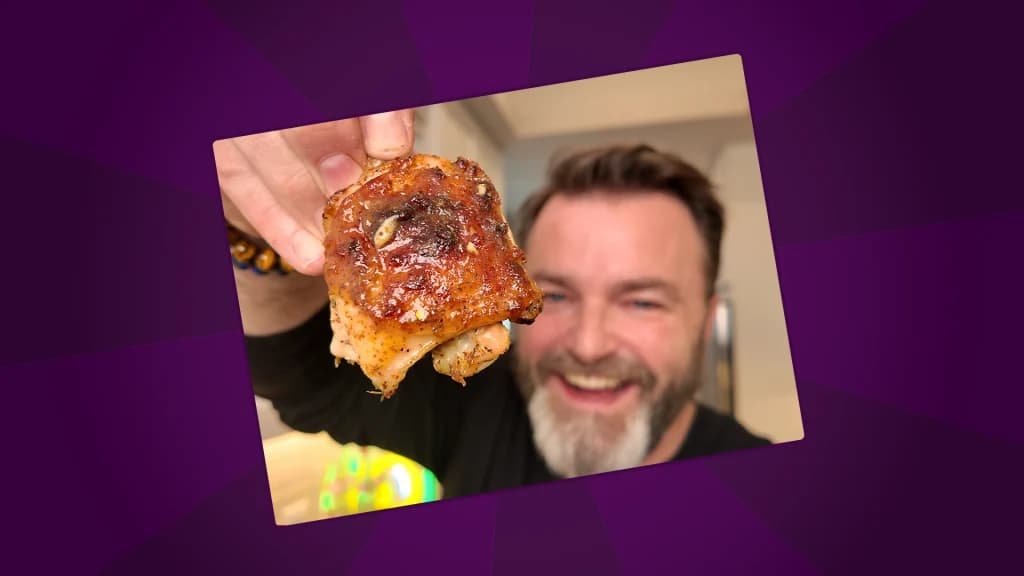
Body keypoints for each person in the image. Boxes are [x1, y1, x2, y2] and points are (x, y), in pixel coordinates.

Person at [218, 111, 770, 499]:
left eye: (642, 302)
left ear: (706, 318)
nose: (588, 344)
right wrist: (252, 229)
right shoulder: (477, 409)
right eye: (553, 295)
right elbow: (303, 380)